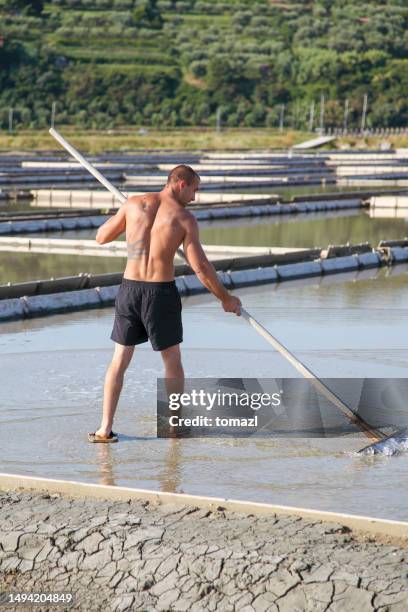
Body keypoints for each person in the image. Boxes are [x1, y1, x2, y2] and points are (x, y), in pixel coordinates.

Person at [88, 164, 242, 443]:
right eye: (195, 190)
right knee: (172, 361)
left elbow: (101, 237)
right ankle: (174, 426)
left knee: (119, 360)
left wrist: (127, 218)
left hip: (129, 290)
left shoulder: (133, 204)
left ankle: (103, 428)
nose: (195, 198)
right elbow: (201, 268)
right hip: (160, 294)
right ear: (181, 184)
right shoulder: (184, 219)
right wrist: (225, 298)